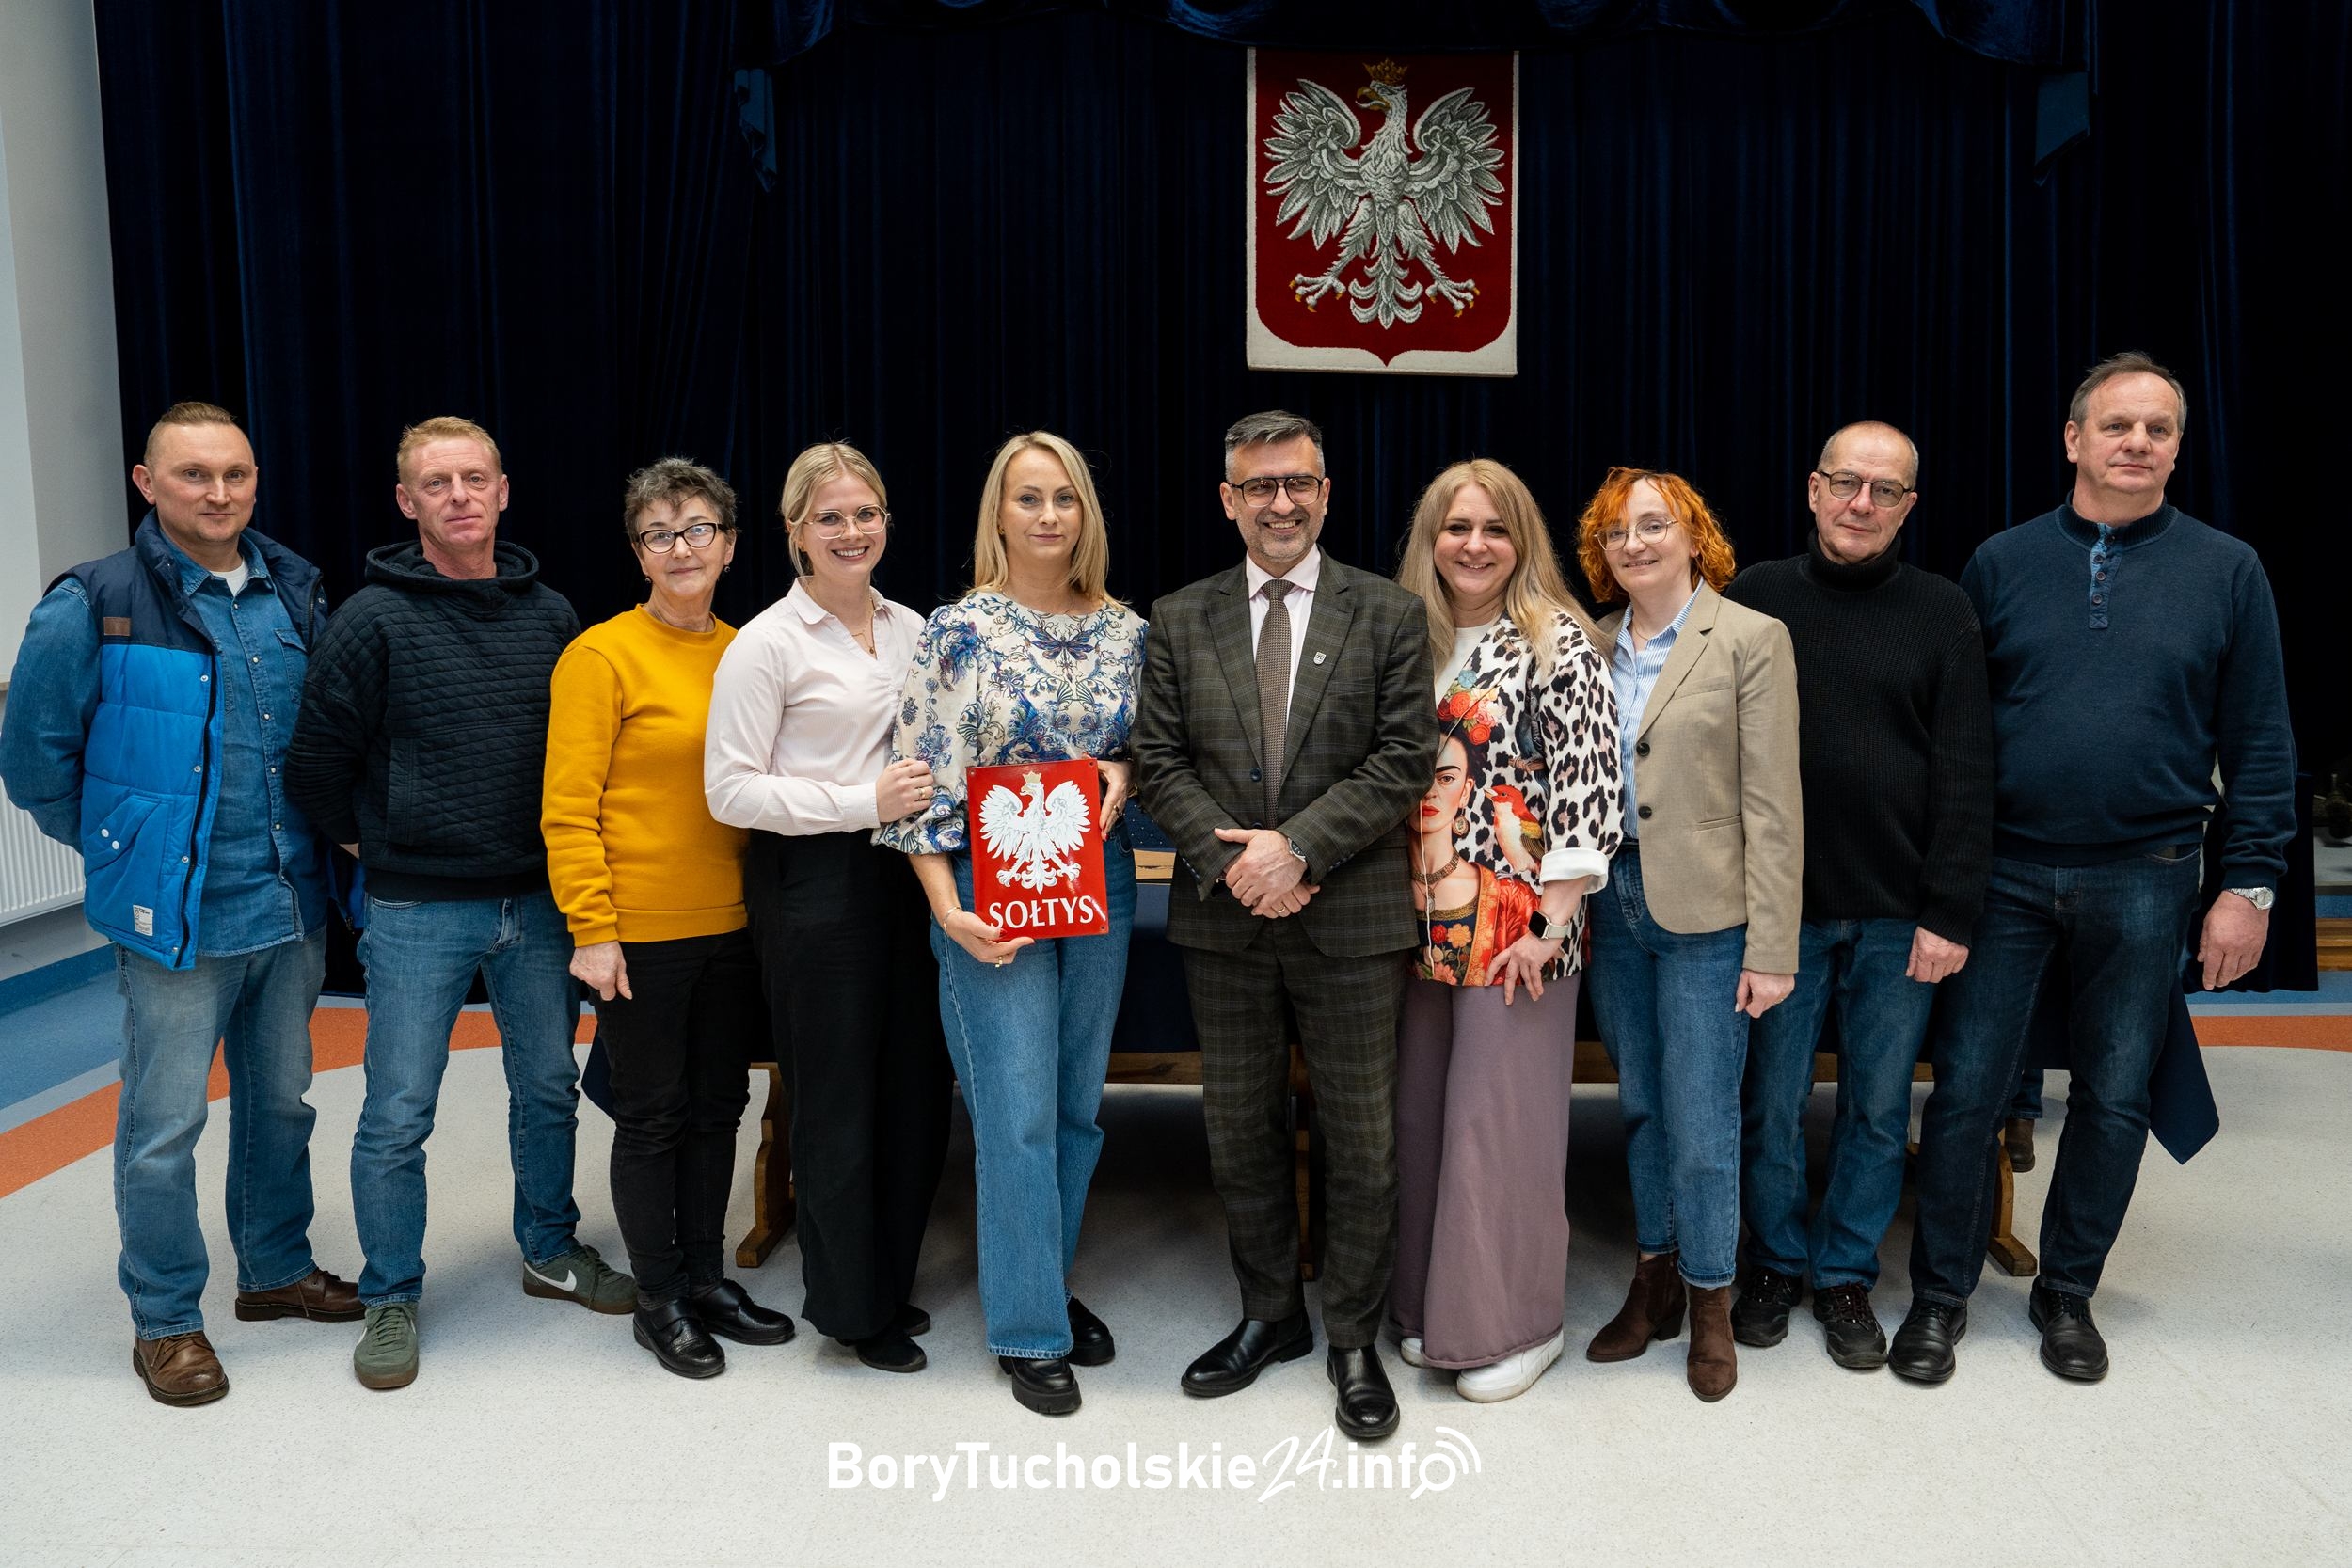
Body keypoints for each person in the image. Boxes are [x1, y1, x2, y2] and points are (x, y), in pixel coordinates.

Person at [1889, 353, 2294, 1386]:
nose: (2136, 443)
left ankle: (2067, 1292)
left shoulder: (2228, 568)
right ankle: (1939, 1297)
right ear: (2072, 439)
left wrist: (2246, 887)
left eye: (2157, 428)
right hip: (2006, 873)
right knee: (1969, 1091)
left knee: (2116, 1096)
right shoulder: (2001, 560)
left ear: (2176, 445)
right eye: (2115, 425)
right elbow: (1960, 738)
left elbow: (2257, 737)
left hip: (2149, 872)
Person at [0, 402, 357, 1405]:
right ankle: (165, 1317)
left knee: (281, 1104)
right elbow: (33, 759)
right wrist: (126, 852)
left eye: (235, 473)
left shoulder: (292, 588)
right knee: (162, 1125)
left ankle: (277, 1268)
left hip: (287, 907)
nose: (219, 493)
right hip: (175, 924)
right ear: (146, 483)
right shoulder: (91, 601)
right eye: (194, 474)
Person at [284, 415, 630, 1392]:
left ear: (505, 489)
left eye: (474, 478)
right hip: (417, 910)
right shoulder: (372, 618)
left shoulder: (552, 613)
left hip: (539, 900)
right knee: (397, 1109)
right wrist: (385, 841)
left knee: (546, 1089)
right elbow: (315, 765)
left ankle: (549, 1248)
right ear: (407, 502)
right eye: (436, 483)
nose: (459, 496)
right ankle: (391, 1292)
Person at [1132, 409, 1437, 1443]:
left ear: (1326, 491)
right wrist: (1238, 863)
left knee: (1362, 1138)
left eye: (1297, 481)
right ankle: (1271, 1314)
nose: (1279, 501)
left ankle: (1350, 1331)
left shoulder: (1389, 614)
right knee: (1239, 1130)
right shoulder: (1176, 618)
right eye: (1258, 485)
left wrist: (1294, 850)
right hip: (1225, 918)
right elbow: (1158, 763)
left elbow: (1402, 759)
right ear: (1227, 499)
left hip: (1349, 916)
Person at [875, 431, 1145, 1417]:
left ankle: (1045, 1282)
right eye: (1027, 498)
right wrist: (949, 911)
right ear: (998, 514)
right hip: (989, 885)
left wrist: (1124, 770)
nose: (1046, 516)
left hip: (1096, 878)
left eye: (1063, 498)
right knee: (1017, 1109)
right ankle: (1029, 1327)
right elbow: (916, 787)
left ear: (1085, 514)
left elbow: (1146, 755)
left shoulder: (1126, 630)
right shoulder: (958, 630)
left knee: (1075, 1105)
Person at [1721, 423, 1993, 1370]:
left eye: (1885, 489)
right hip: (1777, 913)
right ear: (1812, 489)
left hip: (1896, 918)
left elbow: (1966, 773)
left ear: (1908, 507)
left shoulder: (1944, 612)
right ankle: (1773, 1265)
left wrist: (1948, 911)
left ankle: (1843, 1277)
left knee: (1877, 1110)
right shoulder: (1752, 597)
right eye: (1846, 482)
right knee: (1772, 1102)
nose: (1862, 502)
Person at [543, 457, 794, 1379]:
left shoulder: (750, 651)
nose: (681, 546)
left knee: (720, 1107)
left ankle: (705, 1278)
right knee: (652, 1115)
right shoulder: (600, 655)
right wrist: (592, 928)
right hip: (638, 929)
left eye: (698, 529)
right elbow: (567, 808)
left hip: (735, 922)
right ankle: (658, 1298)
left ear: (729, 543)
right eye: (660, 532)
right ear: (638, 550)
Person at [705, 441, 950, 1377]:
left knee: (914, 1089)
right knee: (838, 1095)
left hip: (911, 874)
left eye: (866, 512)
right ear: (795, 531)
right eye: (830, 516)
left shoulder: (915, 627)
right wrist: (860, 803)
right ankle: (849, 1308)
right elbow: (730, 789)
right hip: (815, 880)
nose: (852, 531)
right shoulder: (766, 642)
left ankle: (888, 1277)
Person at [1390, 459, 1621, 1402]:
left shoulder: (1556, 639)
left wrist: (1549, 923)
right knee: (1426, 1120)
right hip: (1421, 924)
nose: (1473, 543)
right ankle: (1431, 1312)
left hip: (1522, 932)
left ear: (1521, 539)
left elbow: (1591, 789)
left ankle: (1520, 1322)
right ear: (1429, 539)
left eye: (1493, 526)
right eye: (1455, 526)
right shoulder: (1412, 635)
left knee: (1502, 1128)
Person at [1576, 466, 1801, 1402]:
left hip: (1710, 913)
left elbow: (1773, 800)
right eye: (1615, 531)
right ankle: (1654, 1277)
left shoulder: (1749, 636)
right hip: (1611, 897)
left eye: (1653, 525)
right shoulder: (1585, 643)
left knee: (1706, 1121)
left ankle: (1712, 1303)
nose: (1635, 542)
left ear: (1692, 535)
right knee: (1640, 1107)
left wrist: (1773, 944)